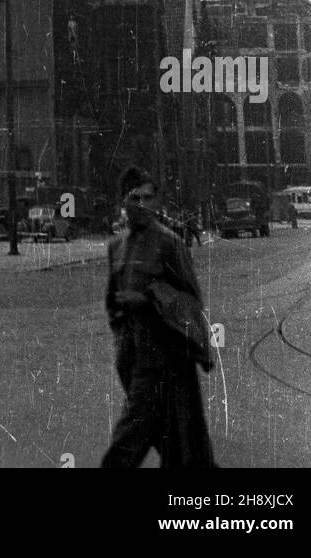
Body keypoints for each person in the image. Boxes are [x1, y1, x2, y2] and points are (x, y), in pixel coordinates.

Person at [101, 166, 216, 470]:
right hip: (134, 359)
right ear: (123, 202)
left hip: (168, 362)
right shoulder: (117, 247)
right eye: (134, 198)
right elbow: (112, 304)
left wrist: (148, 301)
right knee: (178, 448)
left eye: (148, 198)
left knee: (125, 446)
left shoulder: (170, 243)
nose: (142, 205)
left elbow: (192, 301)